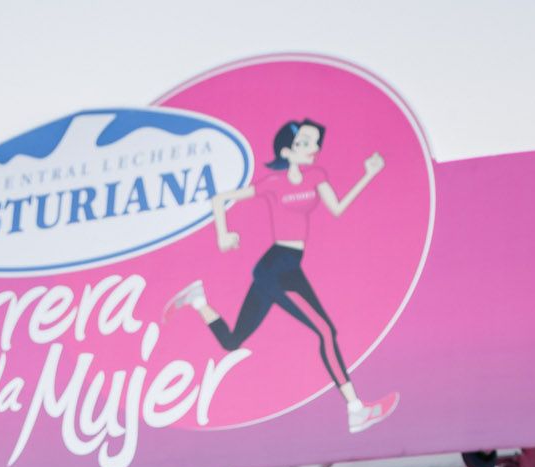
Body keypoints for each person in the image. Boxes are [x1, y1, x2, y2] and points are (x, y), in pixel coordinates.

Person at [166, 120, 396, 434]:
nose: (313, 149)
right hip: (276, 266)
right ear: (287, 151)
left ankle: (199, 301)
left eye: (315, 143)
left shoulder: (317, 176)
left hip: (287, 266)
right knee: (325, 332)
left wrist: (368, 174)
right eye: (304, 143)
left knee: (233, 342)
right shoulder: (273, 183)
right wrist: (223, 235)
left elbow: (338, 208)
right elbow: (220, 200)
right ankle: (356, 410)